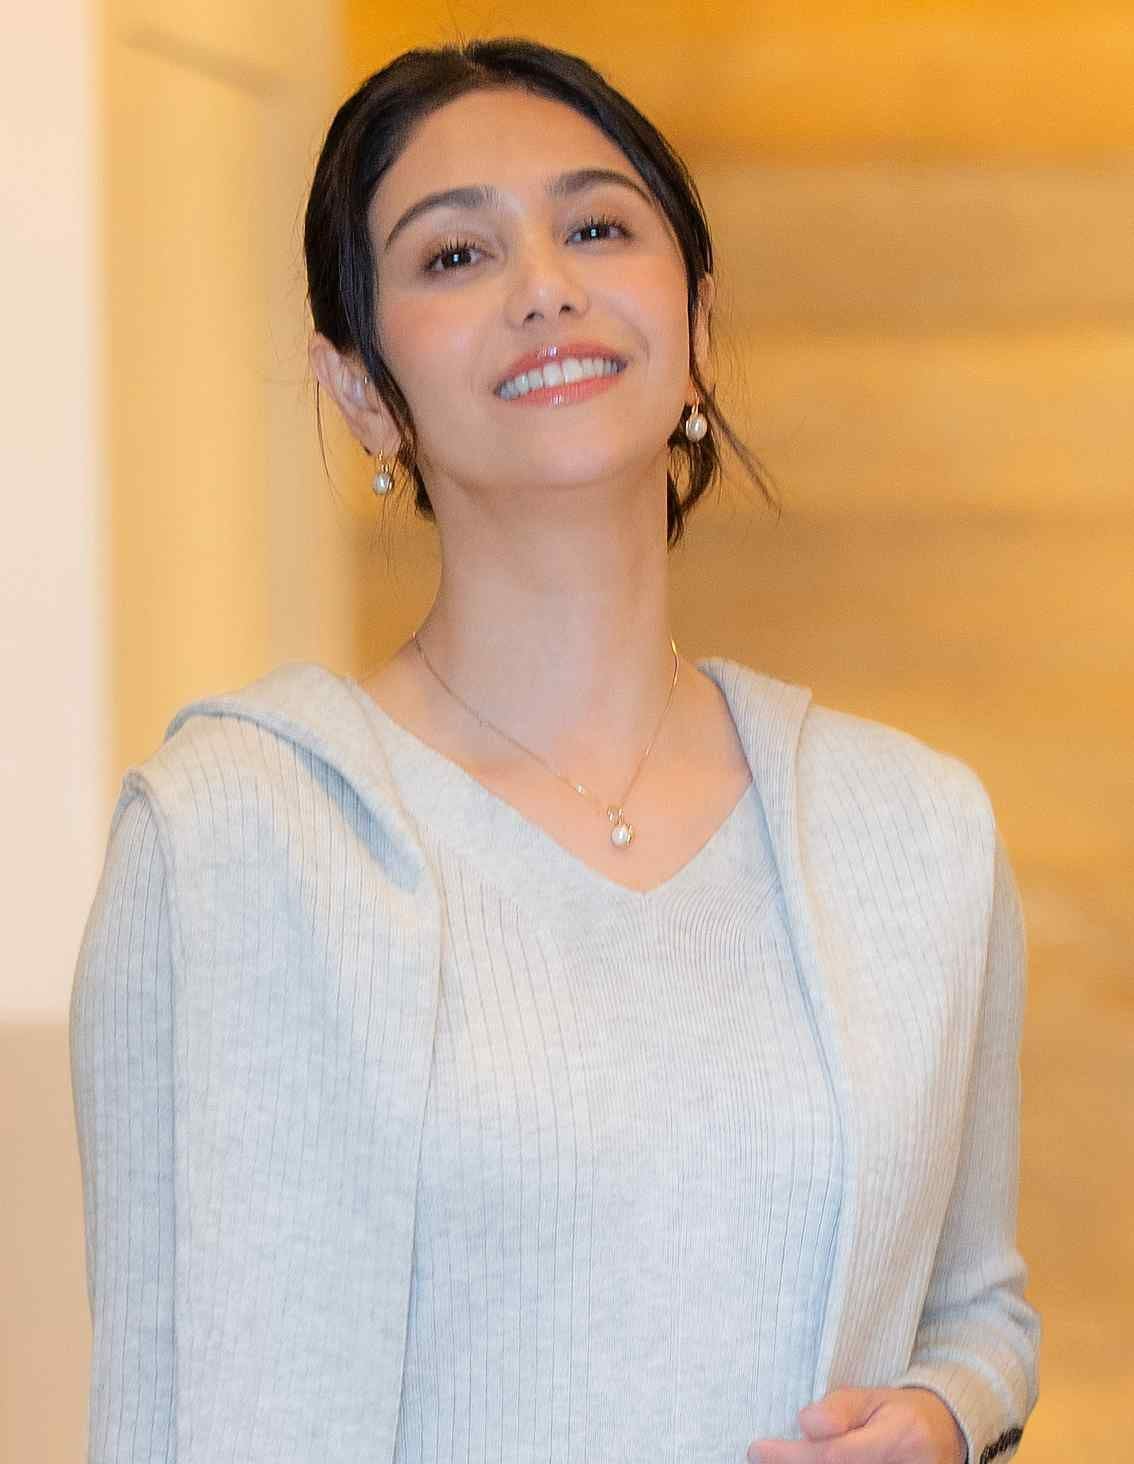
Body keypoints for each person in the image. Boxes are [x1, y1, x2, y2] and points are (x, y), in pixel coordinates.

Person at [69, 35, 1040, 1464]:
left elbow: (978, 1311)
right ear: (360, 389)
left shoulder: (914, 832)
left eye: (596, 229)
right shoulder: (234, 835)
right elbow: (167, 1413)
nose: (544, 286)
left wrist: (948, 1415)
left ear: (695, 319)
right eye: (454, 256)